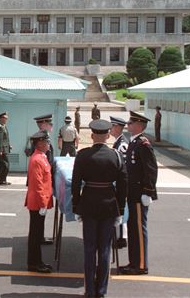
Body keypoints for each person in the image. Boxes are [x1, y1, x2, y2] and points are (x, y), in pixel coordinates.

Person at [72, 119, 128, 298]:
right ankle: (101, 291)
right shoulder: (116, 156)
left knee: (89, 249)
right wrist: (120, 209)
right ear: (108, 135)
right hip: (109, 205)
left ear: (91, 135)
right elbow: (123, 184)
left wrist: (76, 206)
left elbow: (75, 184)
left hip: (88, 203)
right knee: (104, 249)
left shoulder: (82, 155)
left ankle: (89, 290)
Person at [120, 111, 158, 275]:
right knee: (133, 229)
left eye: (130, 123)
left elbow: (151, 170)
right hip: (132, 193)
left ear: (139, 125)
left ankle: (141, 264)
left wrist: (148, 192)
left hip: (139, 194)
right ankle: (133, 262)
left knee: (139, 230)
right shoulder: (134, 142)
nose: (128, 126)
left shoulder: (143, 144)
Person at [24, 131, 53, 273]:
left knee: (37, 233)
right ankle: (35, 263)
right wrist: (43, 203)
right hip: (37, 202)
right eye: (46, 142)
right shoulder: (37, 159)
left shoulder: (42, 157)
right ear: (40, 143)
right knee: (35, 235)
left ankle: (36, 262)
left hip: (40, 201)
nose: (48, 144)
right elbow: (38, 184)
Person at [24, 114, 55, 245]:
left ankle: (40, 239)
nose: (51, 126)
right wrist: (43, 202)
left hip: (43, 182)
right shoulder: (37, 142)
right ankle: (34, 260)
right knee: (36, 227)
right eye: (49, 123)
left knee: (38, 224)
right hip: (38, 185)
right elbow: (38, 182)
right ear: (43, 124)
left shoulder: (43, 142)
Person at [110, 116, 129, 249]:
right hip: (118, 182)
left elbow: (124, 167)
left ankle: (120, 238)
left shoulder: (122, 145)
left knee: (120, 211)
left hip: (121, 183)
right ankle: (119, 237)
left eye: (112, 126)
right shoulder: (118, 142)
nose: (110, 129)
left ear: (117, 127)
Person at [0, 112, 12, 185]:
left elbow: (5, 138)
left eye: (6, 118)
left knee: (3, 165)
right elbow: (0, 139)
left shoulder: (4, 126)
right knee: (6, 165)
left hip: (5, 148)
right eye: (5, 118)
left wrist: (9, 145)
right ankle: (2, 180)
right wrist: (0, 150)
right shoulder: (0, 127)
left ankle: (2, 180)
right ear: (1, 119)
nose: (6, 119)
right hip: (2, 149)